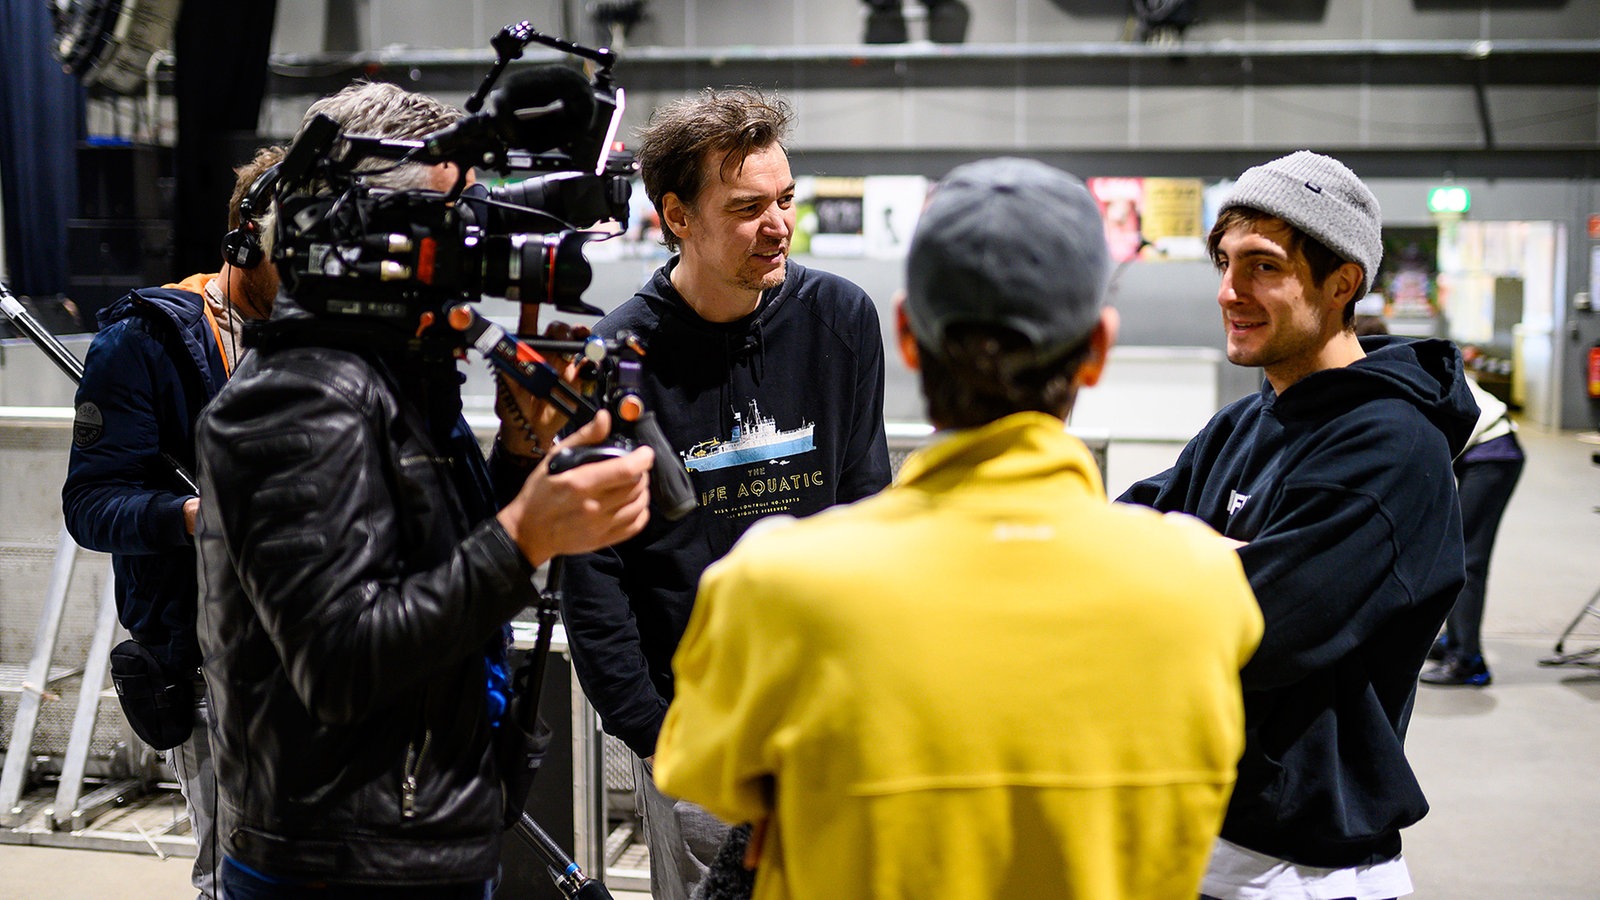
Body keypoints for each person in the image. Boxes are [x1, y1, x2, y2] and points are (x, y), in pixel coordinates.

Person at [652, 157, 1265, 899]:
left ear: (907, 336)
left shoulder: (776, 582)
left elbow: (705, 779)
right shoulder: (1203, 586)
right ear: (1099, 350)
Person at [193, 81, 654, 898]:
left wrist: (519, 454)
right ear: (365, 229)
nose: (476, 240)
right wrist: (524, 538)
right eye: (452, 217)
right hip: (337, 867)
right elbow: (340, 663)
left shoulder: (402, 377)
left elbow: (434, 571)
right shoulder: (296, 396)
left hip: (429, 837)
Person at [557, 86, 893, 900]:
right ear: (678, 216)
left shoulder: (841, 320)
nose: (778, 225)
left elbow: (867, 510)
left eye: (785, 200)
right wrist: (653, 732)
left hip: (831, 722)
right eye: (747, 207)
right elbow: (592, 573)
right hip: (697, 738)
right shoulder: (618, 353)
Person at [1118, 150, 1479, 899]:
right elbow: (1111, 544)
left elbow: (1256, 623)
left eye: (1263, 267)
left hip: (1305, 872)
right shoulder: (1240, 424)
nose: (1228, 292)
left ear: (1343, 281)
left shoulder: (1393, 447)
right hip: (1197, 837)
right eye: (1223, 262)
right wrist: (1211, 552)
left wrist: (1188, 549)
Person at [61, 143, 285, 900]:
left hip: (317, 652)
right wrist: (194, 515)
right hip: (207, 662)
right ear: (246, 238)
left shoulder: (325, 333)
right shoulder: (145, 341)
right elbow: (90, 504)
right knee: (235, 874)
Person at [1421, 374, 1525, 686]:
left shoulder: (1397, 369)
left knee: (1466, 559)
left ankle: (1468, 660)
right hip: (1483, 451)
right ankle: (1455, 639)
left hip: (1493, 454)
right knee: (1454, 553)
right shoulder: (1406, 358)